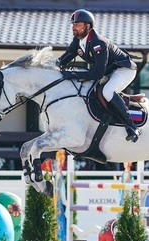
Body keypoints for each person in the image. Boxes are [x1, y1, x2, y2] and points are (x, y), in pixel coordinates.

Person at [58, 9, 141, 143]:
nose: (74, 27)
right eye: (73, 24)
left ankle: (132, 126)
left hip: (124, 70)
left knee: (108, 92)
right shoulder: (77, 42)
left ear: (88, 26)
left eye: (77, 24)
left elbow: (97, 73)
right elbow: (62, 61)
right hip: (109, 71)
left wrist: (73, 74)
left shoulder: (98, 43)